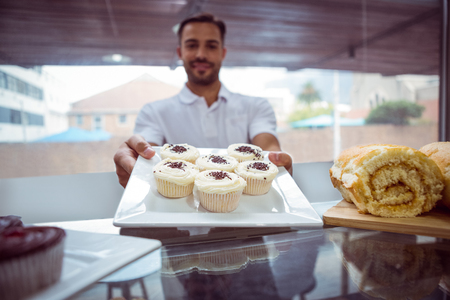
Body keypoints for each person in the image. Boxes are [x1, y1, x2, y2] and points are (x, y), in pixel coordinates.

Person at [114, 12, 293, 188]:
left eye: (211, 46)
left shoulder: (256, 107)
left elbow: (269, 148)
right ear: (180, 52)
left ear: (223, 53)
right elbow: (147, 153)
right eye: (192, 45)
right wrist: (136, 159)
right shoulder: (154, 112)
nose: (201, 54)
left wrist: (278, 162)